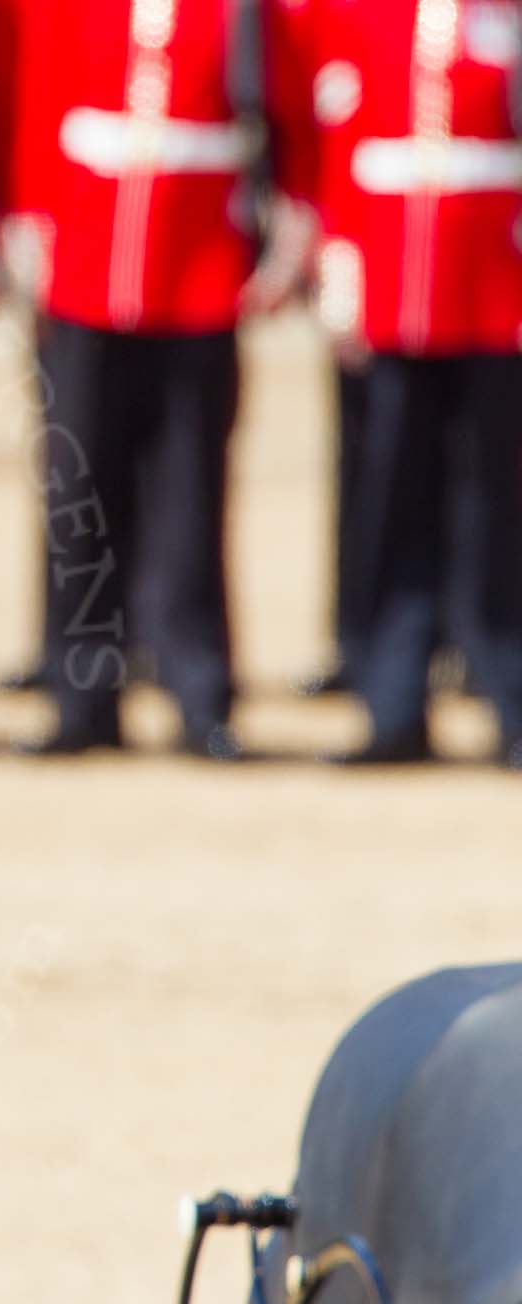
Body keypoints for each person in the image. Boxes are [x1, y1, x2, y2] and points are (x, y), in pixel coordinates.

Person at [5, 0, 305, 759]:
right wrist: (30, 225)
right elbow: (33, 101)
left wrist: (286, 240)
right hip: (84, 267)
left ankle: (197, 689)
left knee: (192, 496)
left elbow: (288, 117)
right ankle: (82, 693)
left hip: (199, 271)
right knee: (81, 495)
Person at [292, 0, 522, 766]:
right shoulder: (357, 15)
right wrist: (339, 261)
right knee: (391, 505)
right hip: (392, 292)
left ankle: (509, 697)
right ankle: (392, 701)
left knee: (498, 511)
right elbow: (330, 144)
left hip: (497, 295)